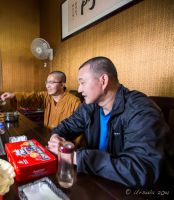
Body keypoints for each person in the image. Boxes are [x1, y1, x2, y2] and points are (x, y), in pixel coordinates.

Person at [47, 57, 174, 190]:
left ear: (103, 80)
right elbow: (66, 127)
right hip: (101, 181)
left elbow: (140, 170)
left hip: (141, 191)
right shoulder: (90, 106)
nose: (79, 90)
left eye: (82, 83)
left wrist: (75, 157)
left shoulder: (141, 110)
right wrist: (56, 136)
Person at [1, 71, 84, 145]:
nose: (47, 85)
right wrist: (13, 96)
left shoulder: (74, 102)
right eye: (47, 82)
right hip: (46, 139)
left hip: (63, 145)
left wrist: (69, 150)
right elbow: (31, 98)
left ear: (62, 84)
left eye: (51, 82)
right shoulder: (46, 96)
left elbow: (78, 130)